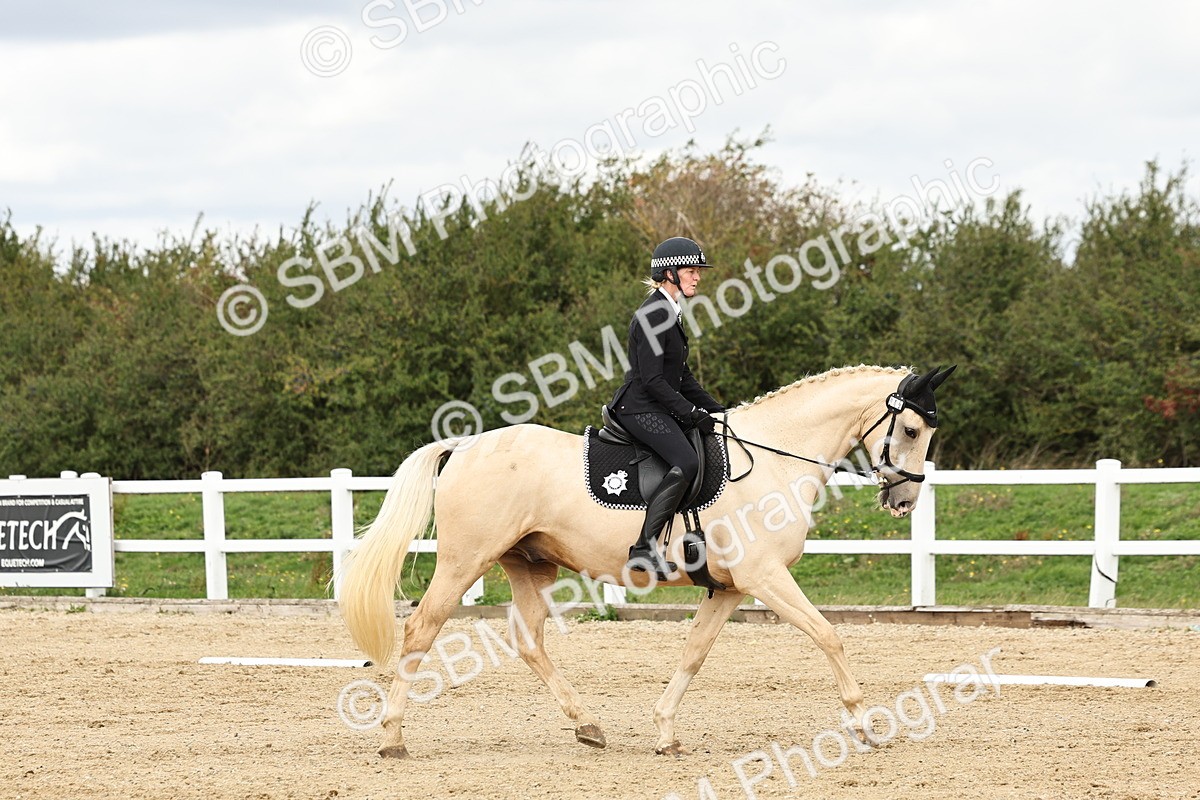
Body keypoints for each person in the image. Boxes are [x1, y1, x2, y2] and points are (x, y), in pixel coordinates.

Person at [609, 236, 725, 579]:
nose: (698, 277)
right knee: (686, 460)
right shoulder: (653, 313)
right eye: (692, 271)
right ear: (670, 273)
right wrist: (691, 414)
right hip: (639, 406)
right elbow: (653, 381)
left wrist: (718, 412)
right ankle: (644, 548)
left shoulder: (669, 312)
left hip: (653, 403)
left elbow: (682, 376)